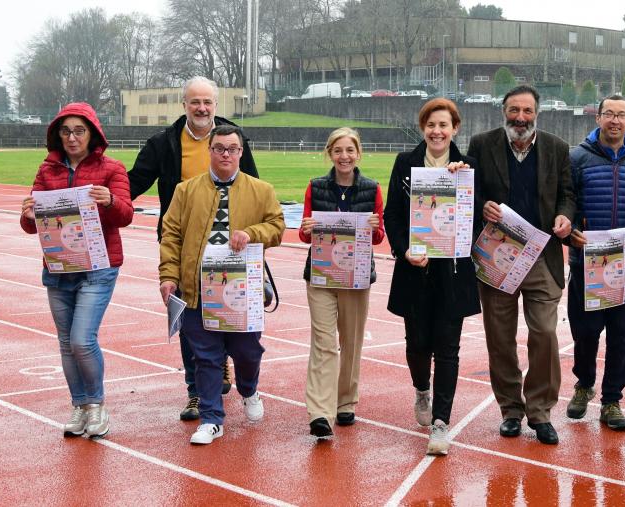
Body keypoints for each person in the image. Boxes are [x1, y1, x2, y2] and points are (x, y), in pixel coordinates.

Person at [129, 76, 259, 420]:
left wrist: (254, 233)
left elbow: (255, 185)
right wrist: (96, 203)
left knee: (231, 314)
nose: (201, 108)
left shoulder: (233, 138)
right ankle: (196, 392)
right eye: (194, 102)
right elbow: (134, 181)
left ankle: (223, 366)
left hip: (229, 248)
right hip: (185, 245)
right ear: (183, 104)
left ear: (216, 105)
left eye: (208, 102)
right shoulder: (164, 142)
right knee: (189, 321)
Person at [159, 125, 285, 445]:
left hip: (242, 290)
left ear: (241, 152)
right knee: (206, 356)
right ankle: (212, 418)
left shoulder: (262, 190)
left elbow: (277, 228)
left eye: (232, 148)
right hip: (197, 289)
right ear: (210, 151)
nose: (225, 154)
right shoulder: (186, 190)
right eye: (219, 148)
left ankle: (249, 388)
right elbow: (171, 235)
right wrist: (168, 276)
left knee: (247, 352)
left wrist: (252, 233)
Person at [467, 85, 575, 445]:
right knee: (500, 338)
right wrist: (482, 205)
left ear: (537, 114)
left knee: (544, 333)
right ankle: (511, 410)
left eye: (527, 111)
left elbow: (567, 194)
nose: (520, 118)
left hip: (541, 257)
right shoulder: (482, 144)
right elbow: (469, 191)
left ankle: (540, 411)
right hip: (498, 254)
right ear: (503, 111)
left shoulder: (557, 148)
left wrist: (564, 216)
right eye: (514, 110)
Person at [19, 103, 133, 439]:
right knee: (67, 344)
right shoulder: (47, 171)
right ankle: (79, 405)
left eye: (79, 131)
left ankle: (97, 405)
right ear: (57, 134)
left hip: (98, 267)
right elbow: (31, 226)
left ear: (92, 133)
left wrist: (110, 200)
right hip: (58, 267)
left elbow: (126, 215)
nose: (71, 138)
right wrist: (28, 215)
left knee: (83, 340)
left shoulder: (112, 168)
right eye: (65, 131)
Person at [384, 98, 481, 455]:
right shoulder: (405, 163)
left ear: (455, 129)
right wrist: (403, 249)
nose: (437, 131)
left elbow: (476, 219)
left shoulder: (468, 167)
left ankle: (441, 422)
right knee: (417, 345)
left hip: (452, 272)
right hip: (415, 268)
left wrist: (463, 186)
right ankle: (422, 389)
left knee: (449, 349)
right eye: (431, 125)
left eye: (444, 125)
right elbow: (392, 214)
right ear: (423, 128)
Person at [565, 94, 625, 431]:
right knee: (585, 333)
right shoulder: (577, 158)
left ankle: (612, 400)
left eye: (622, 115)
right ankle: (584, 384)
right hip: (587, 262)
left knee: (623, 336)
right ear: (598, 117)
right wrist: (569, 231)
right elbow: (565, 201)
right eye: (609, 114)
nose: (615, 121)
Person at [298, 128, 385, 438]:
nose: (344, 156)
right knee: (323, 343)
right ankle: (320, 412)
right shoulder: (316, 186)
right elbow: (304, 234)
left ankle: (345, 401)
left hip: (357, 276)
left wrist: (375, 228)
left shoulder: (372, 188)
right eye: (338, 151)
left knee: (351, 342)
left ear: (358, 153)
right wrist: (307, 228)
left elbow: (378, 237)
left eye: (350, 150)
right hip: (321, 277)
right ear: (330, 154)